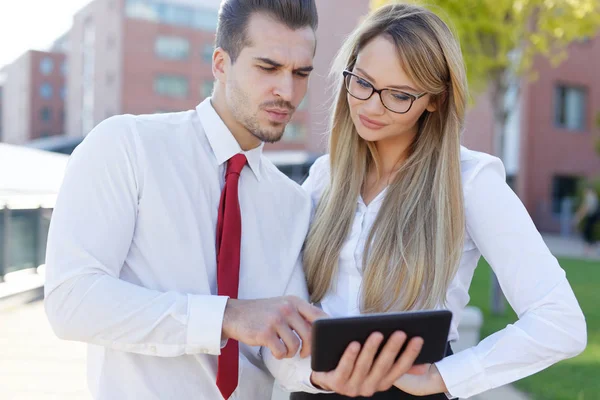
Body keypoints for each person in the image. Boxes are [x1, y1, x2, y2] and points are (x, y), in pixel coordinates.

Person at [264, 4, 587, 399]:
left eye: (399, 94)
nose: (371, 106)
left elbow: (561, 323)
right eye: (362, 82)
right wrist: (312, 377)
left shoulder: (470, 182)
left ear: (435, 99)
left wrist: (445, 378)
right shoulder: (323, 178)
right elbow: (283, 317)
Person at [44, 1, 330, 399]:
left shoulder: (294, 204)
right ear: (220, 63)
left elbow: (278, 348)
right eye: (268, 68)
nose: (287, 90)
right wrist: (225, 317)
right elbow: (70, 301)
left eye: (301, 73)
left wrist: (323, 374)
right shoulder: (127, 146)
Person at [574, 183, 599, 256]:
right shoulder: (594, 196)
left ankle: (588, 251)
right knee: (589, 233)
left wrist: (578, 217)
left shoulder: (590, 197)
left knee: (587, 233)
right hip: (593, 218)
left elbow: (585, 208)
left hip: (592, 218)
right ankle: (589, 250)